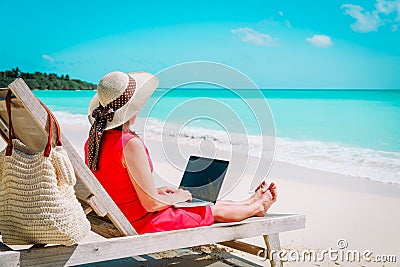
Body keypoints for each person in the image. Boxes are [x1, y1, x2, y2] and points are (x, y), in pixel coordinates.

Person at [84, 71, 277, 234]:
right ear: (133, 109)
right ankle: (256, 207)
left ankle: (249, 202)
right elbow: (151, 205)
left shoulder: (94, 141)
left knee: (200, 202)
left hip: (120, 213)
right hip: (141, 221)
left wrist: (158, 192)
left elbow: (114, 184)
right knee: (208, 209)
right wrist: (178, 197)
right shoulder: (129, 143)